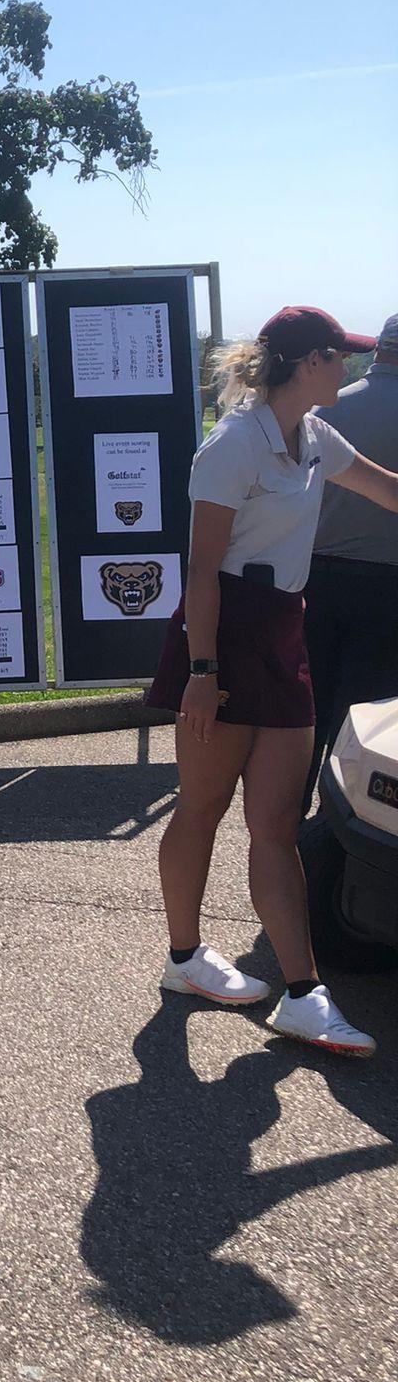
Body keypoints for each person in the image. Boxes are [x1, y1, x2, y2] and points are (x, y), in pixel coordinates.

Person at [146, 305, 398, 1056]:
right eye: (339, 357)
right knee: (202, 805)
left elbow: (390, 491)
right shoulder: (232, 446)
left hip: (285, 629)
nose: (349, 368)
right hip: (222, 633)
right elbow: (201, 570)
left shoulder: (316, 435)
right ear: (307, 362)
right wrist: (201, 672)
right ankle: (184, 959)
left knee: (276, 826)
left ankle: (302, 993)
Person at [301, 310, 398, 809]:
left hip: (312, 583)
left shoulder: (323, 414)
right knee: (367, 733)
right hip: (388, 594)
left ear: (378, 351)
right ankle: (343, 848)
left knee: (303, 726)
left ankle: (288, 847)